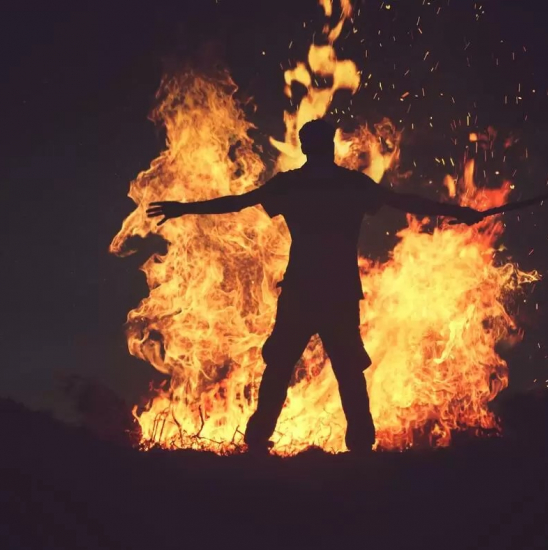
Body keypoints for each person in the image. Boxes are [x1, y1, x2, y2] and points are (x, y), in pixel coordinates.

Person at [146, 119, 484, 454]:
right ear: (330, 146)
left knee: (280, 367)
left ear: (306, 147)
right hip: (338, 292)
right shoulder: (351, 184)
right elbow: (404, 201)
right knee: (348, 371)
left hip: (301, 291)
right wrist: (456, 211)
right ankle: (360, 445)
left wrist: (184, 209)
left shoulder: (292, 185)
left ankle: (258, 441)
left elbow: (238, 202)